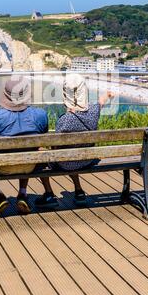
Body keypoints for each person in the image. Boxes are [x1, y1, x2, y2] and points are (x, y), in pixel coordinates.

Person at [35, 73, 114, 208]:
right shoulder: (94, 111)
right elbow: (100, 102)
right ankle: (79, 191)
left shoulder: (64, 121)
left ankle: (48, 194)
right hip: (87, 160)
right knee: (74, 152)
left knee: (43, 153)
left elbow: (56, 148)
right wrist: (107, 95)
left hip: (65, 162)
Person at [0, 75, 48, 216]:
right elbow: (42, 141)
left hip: (1, 167)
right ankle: (22, 193)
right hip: (30, 166)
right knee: (28, 151)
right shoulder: (40, 115)